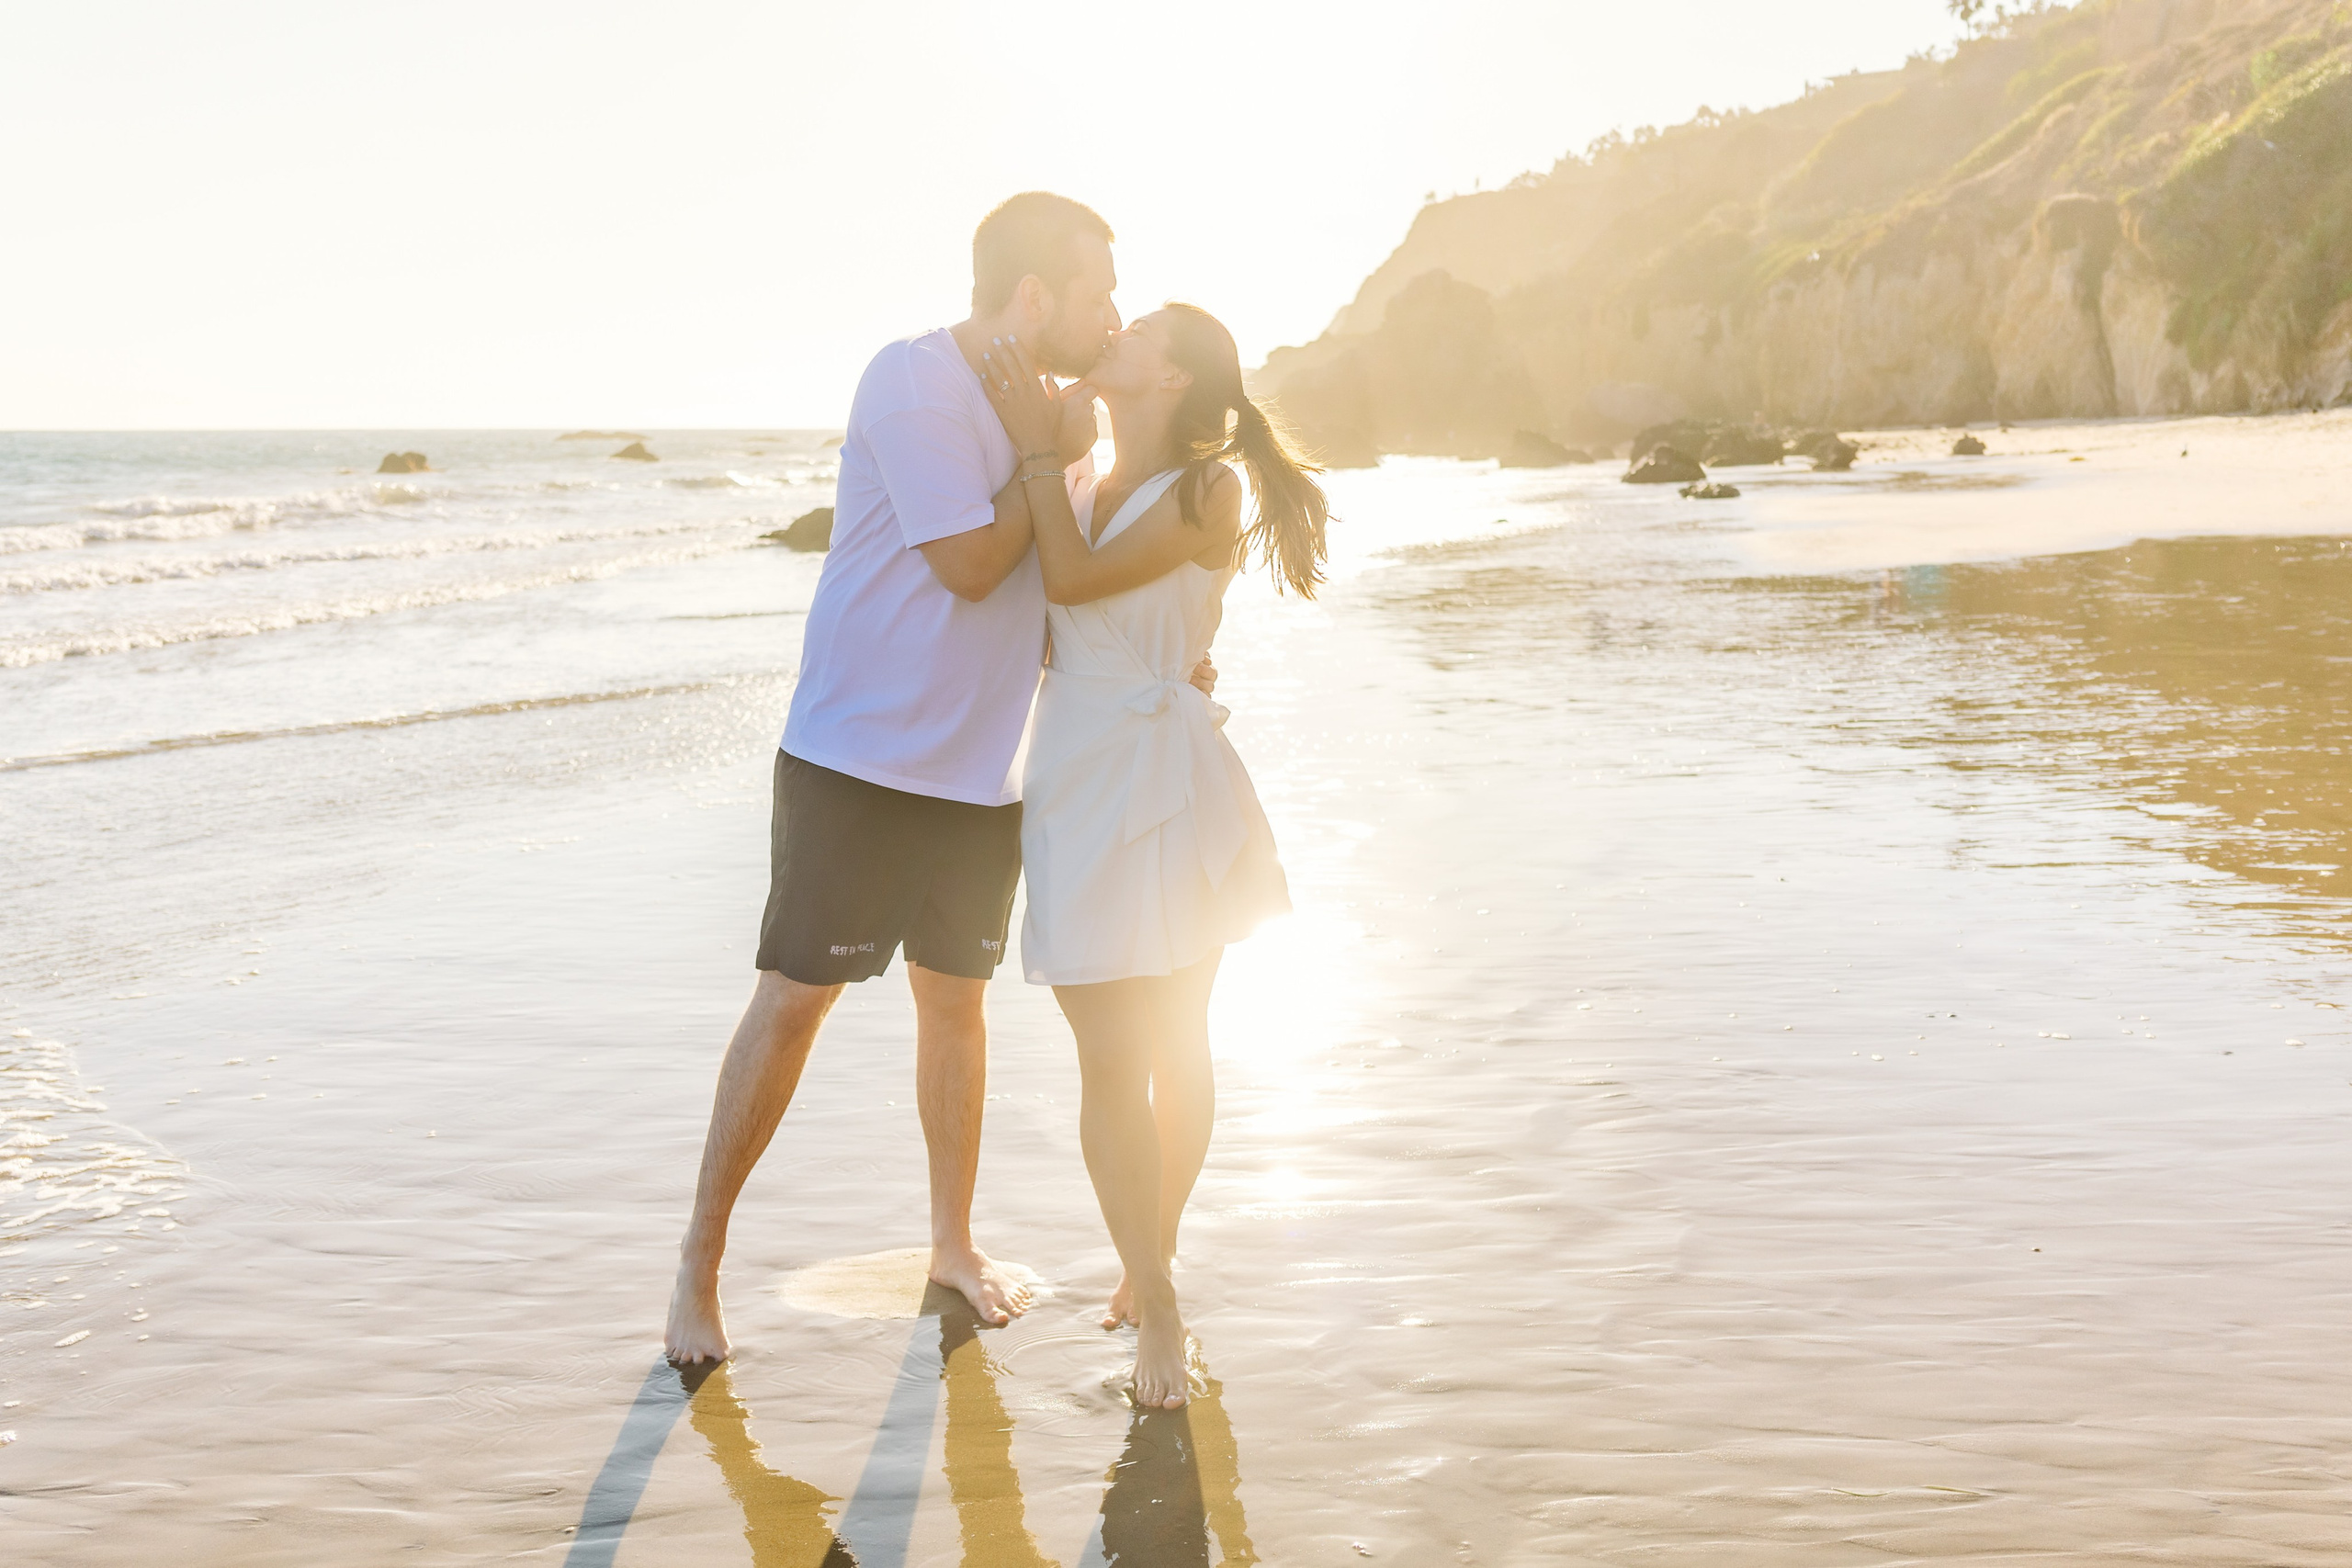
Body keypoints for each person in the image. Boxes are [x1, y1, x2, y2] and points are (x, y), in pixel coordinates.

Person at [665, 192, 1184, 1365]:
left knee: (955, 1006)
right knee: (794, 1004)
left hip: (984, 780)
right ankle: (696, 1266)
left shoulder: (1055, 412)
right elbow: (965, 565)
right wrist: (1046, 458)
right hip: (859, 759)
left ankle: (951, 1246)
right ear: (1033, 296)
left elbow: (1057, 578)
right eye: (1096, 290)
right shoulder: (914, 384)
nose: (1110, 312)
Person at [981, 304, 1328, 1407]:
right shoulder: (1075, 482)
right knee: (1103, 1058)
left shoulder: (1205, 487)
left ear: (1172, 374)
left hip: (1168, 787)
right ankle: (1151, 1268)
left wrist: (1037, 447)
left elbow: (1079, 582)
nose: (1114, 332)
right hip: (1076, 775)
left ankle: (1155, 1278)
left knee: (1178, 1044)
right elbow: (1044, 620)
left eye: (1139, 329)